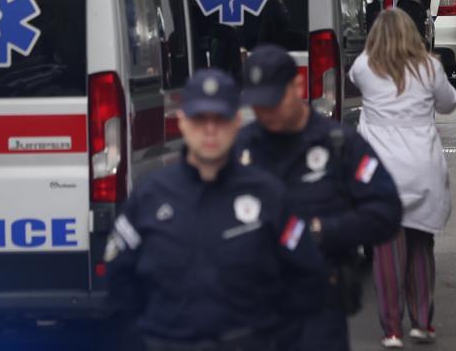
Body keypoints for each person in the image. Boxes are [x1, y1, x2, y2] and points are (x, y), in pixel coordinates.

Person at [107, 68, 325, 351]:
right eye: (200, 118)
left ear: (236, 121)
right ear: (182, 122)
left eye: (220, 119)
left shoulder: (269, 195)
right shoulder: (149, 196)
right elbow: (119, 285)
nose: (210, 129)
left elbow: (307, 278)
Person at [236, 45, 402, 351]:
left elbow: (386, 213)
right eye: (257, 105)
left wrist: (321, 230)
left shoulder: (339, 145)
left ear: (297, 87)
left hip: (317, 310)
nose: (266, 113)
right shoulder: (241, 149)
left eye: (273, 102)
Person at [350, 10, 456, 349]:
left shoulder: (364, 67)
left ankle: (392, 329)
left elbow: (356, 86)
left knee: (386, 252)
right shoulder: (429, 67)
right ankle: (423, 322)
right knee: (420, 247)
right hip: (421, 168)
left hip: (383, 172)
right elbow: (450, 104)